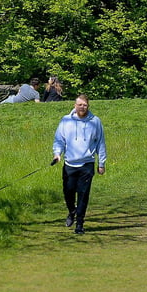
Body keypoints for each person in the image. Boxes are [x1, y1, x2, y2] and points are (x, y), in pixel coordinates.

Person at [52, 94, 107, 234]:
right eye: (79, 105)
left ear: (88, 106)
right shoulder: (65, 120)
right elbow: (59, 140)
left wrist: (101, 163)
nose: (82, 107)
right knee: (68, 192)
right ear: (74, 105)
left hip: (87, 164)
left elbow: (100, 142)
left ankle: (80, 224)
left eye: (85, 105)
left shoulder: (95, 121)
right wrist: (57, 154)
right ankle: (72, 211)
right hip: (70, 163)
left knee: (83, 194)